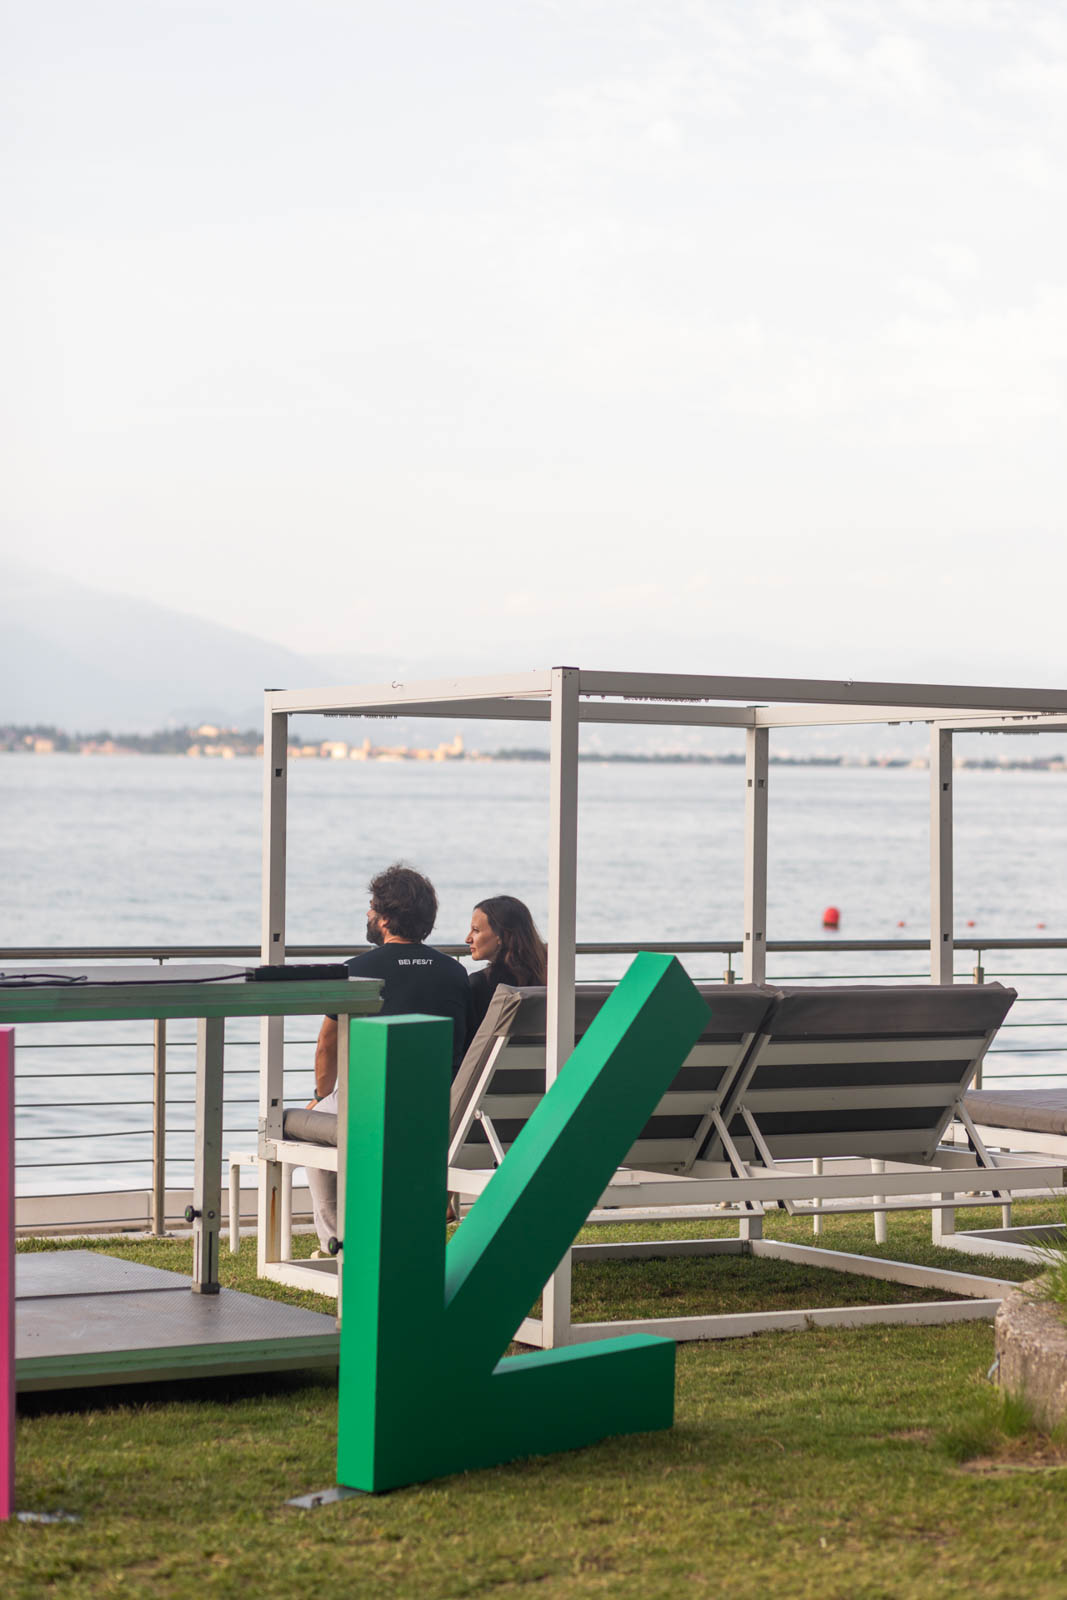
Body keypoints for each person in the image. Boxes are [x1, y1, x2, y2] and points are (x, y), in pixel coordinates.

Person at [305, 862, 472, 1249]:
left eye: (372, 907)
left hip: (373, 1105)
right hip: (442, 1106)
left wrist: (321, 1095)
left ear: (384, 919)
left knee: (312, 1129)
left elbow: (327, 1044)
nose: (368, 913)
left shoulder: (355, 970)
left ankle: (338, 1239)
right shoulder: (454, 972)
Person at [465, 895, 548, 1033]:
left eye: (476, 930)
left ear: (502, 936)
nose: (468, 939)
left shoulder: (479, 984)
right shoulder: (549, 981)